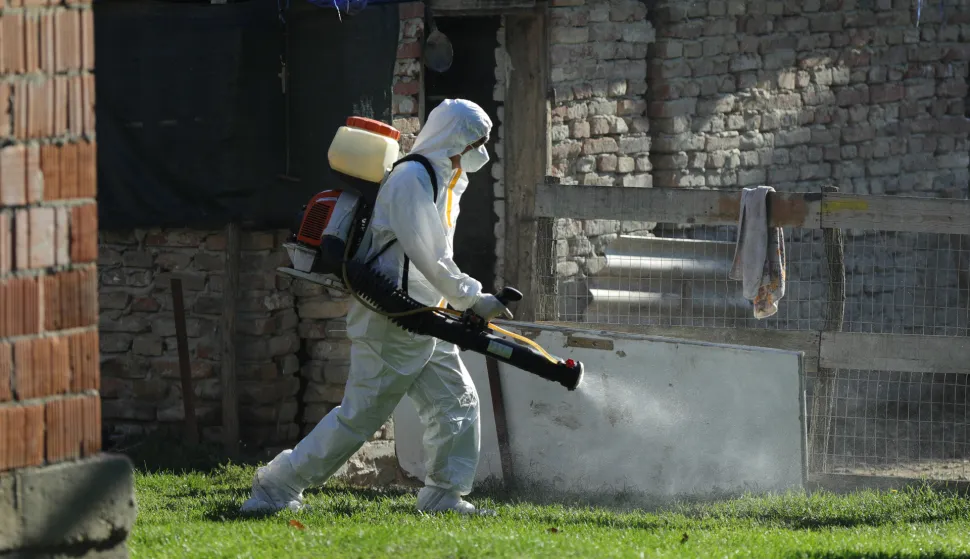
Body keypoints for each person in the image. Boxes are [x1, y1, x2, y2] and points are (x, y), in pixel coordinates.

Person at [241, 99, 510, 515]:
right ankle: (275, 487)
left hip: (425, 318)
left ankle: (443, 496)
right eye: (477, 142)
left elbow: (430, 261)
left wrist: (456, 303)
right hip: (393, 322)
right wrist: (472, 298)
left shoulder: (441, 179)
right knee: (359, 418)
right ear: (454, 138)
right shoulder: (412, 180)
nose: (481, 152)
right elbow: (430, 254)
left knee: (457, 403)